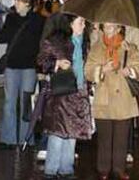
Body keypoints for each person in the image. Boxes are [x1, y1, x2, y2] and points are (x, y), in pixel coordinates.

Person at [85, 23, 139, 180]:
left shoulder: (129, 48)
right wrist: (101, 70)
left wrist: (131, 71)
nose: (107, 30)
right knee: (104, 137)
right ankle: (103, 169)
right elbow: (88, 70)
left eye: (111, 27)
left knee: (121, 137)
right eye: (105, 27)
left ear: (119, 29)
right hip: (103, 97)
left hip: (123, 98)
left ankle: (119, 169)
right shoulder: (96, 48)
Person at [37, 12, 92, 179]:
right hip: (61, 92)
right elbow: (41, 61)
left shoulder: (85, 43)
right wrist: (57, 63)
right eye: (80, 22)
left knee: (73, 132)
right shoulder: (56, 42)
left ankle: (66, 169)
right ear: (70, 24)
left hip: (79, 91)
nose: (83, 25)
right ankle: (51, 170)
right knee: (58, 132)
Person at [0, 0, 45, 148]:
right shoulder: (11, 18)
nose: (15, 3)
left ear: (27, 3)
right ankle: (8, 139)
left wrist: (41, 68)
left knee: (26, 104)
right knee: (9, 103)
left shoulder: (38, 20)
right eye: (15, 0)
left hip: (30, 68)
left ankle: (26, 139)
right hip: (12, 66)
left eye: (18, 0)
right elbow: (2, 38)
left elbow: (42, 45)